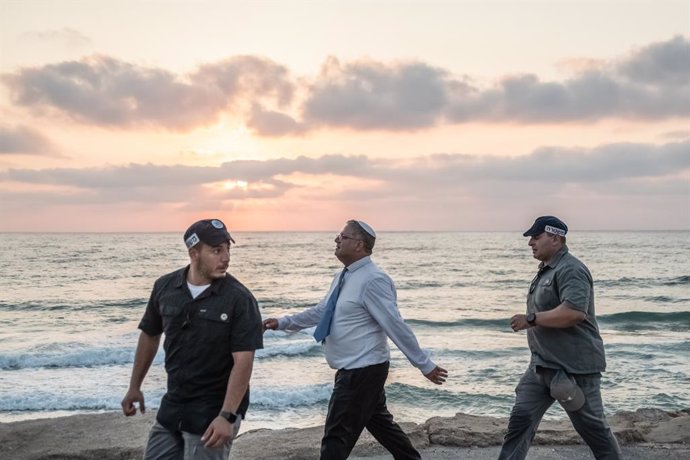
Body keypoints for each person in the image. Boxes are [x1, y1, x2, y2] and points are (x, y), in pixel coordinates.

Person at [263, 219, 448, 460]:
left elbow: (395, 325)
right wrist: (284, 322)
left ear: (359, 245)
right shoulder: (345, 276)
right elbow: (323, 311)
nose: (336, 240)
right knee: (382, 426)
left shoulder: (374, 280)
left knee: (335, 438)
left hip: (362, 370)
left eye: (343, 236)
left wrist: (424, 364)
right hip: (354, 369)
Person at [121, 218, 263, 460]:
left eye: (228, 249)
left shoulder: (239, 298)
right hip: (174, 403)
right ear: (194, 253)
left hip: (213, 410)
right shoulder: (165, 288)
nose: (226, 257)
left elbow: (244, 361)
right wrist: (134, 386)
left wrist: (227, 416)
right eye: (217, 250)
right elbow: (150, 334)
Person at [499, 216, 622, 460]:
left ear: (555, 238)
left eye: (536, 237)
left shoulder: (571, 269)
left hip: (574, 370)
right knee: (519, 424)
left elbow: (574, 313)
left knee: (595, 432)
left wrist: (531, 319)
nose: (530, 243)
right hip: (541, 367)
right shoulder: (546, 270)